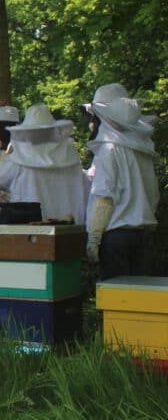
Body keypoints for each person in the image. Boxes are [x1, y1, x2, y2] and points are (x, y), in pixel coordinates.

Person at [83, 86, 159, 279]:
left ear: (103, 117)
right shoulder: (140, 149)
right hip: (140, 235)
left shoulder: (109, 150)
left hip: (115, 237)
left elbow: (104, 197)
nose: (91, 123)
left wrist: (94, 237)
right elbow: (153, 194)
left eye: (93, 117)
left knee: (115, 294)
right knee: (136, 294)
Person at [0, 104, 88, 225]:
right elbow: (84, 188)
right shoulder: (69, 153)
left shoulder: (19, 157)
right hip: (68, 226)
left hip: (30, 228)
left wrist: (4, 160)